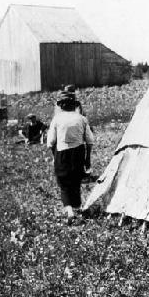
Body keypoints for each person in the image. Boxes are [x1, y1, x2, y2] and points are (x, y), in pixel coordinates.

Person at [47, 86, 94, 223]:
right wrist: (87, 159)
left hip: (62, 153)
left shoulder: (56, 119)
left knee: (64, 183)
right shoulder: (81, 119)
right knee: (76, 181)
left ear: (60, 105)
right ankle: (77, 207)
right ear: (74, 105)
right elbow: (90, 141)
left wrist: (54, 157)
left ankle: (69, 211)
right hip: (78, 153)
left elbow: (51, 142)